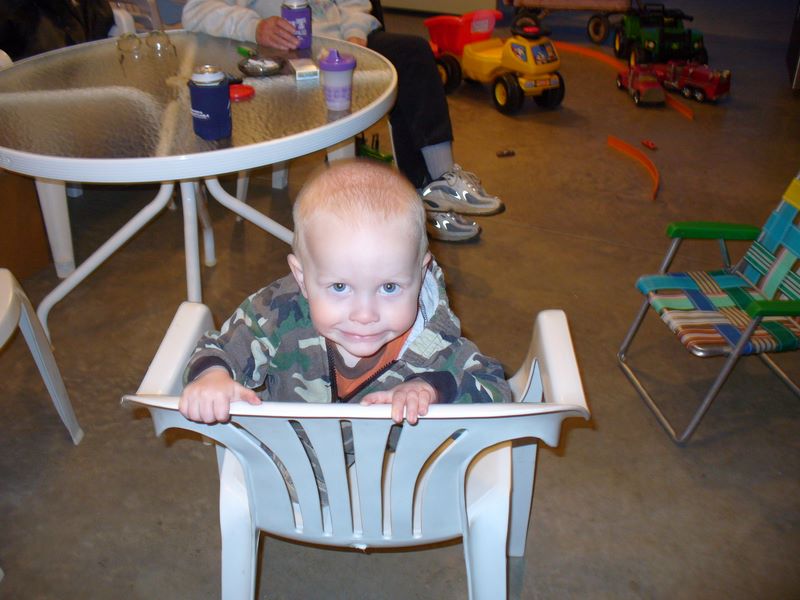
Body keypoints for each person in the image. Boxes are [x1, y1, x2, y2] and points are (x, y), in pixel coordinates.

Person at [179, 159, 511, 429]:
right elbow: (218, 347)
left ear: (420, 274)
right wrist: (212, 377)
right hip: (287, 476)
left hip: (388, 482)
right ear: (303, 278)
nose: (364, 315)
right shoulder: (276, 313)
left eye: (389, 287)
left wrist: (434, 389)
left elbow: (498, 390)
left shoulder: (435, 345)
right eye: (339, 287)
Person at [181, 0, 504, 243]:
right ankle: (431, 201)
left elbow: (355, 4)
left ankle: (439, 186)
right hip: (282, 63)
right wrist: (254, 26)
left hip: (343, 47)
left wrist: (356, 35)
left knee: (412, 55)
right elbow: (195, 10)